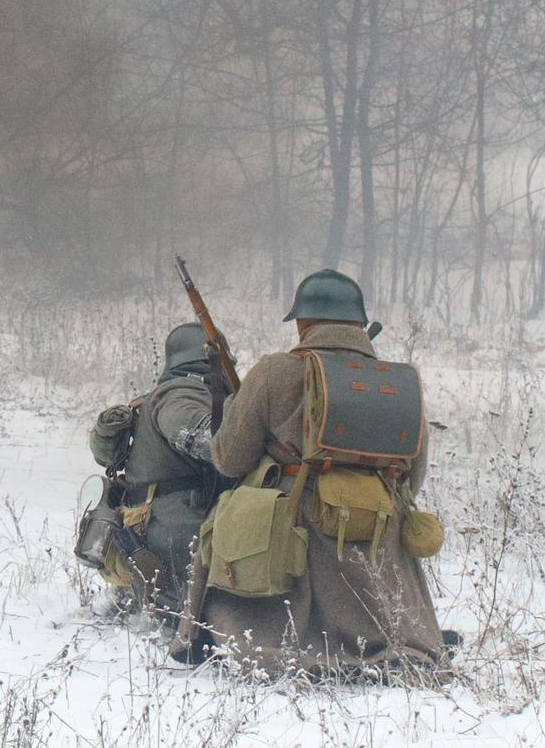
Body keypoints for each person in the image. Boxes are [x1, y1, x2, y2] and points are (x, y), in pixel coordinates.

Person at [171, 269, 447, 677]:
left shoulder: (274, 371)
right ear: (359, 323)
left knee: (225, 522)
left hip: (291, 534)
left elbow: (228, 459)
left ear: (303, 323)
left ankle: (232, 640)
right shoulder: (401, 382)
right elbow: (412, 478)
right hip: (379, 538)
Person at [81, 322, 224, 617]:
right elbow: (207, 439)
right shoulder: (182, 394)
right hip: (177, 535)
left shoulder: (157, 398)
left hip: (143, 539)